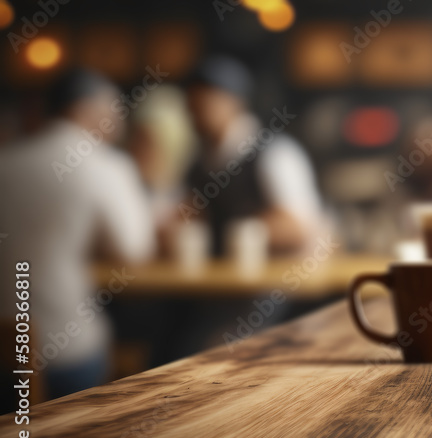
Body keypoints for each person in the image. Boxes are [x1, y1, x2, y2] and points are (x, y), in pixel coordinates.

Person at [0, 68, 155, 399]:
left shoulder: (7, 160)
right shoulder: (107, 165)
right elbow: (134, 251)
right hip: (62, 351)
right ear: (86, 109)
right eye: (114, 109)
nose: (119, 120)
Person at [181, 55, 324, 256]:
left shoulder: (275, 154)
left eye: (205, 102)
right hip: (222, 281)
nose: (195, 112)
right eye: (191, 104)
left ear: (234, 102)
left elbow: (299, 227)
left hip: (280, 281)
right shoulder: (200, 162)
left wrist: (241, 232)